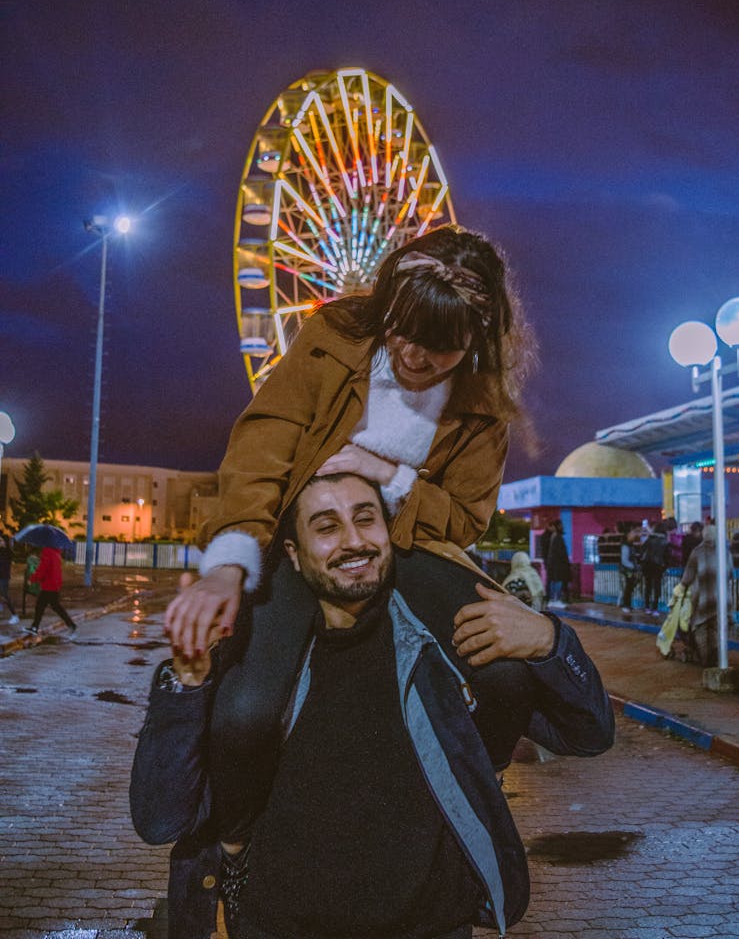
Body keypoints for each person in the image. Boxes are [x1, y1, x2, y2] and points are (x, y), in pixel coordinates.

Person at [164, 226, 536, 850]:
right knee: (248, 712)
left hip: (408, 547)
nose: (415, 358)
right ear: (386, 306)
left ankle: (464, 823)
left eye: (440, 348)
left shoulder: (485, 402)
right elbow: (265, 442)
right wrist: (230, 560)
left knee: (508, 684)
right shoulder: (334, 336)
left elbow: (467, 518)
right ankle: (232, 849)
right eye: (403, 334)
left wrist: (388, 477)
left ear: (475, 338)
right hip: (308, 539)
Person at [131, 472, 614, 939]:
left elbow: (589, 733)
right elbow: (159, 819)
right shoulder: (256, 659)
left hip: (434, 929)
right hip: (276, 927)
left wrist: (549, 640)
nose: (353, 541)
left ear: (389, 532)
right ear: (293, 556)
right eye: (326, 526)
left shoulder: (443, 648)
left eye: (366, 519)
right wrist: (188, 682)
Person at [681, 523, 732, 667]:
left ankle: (705, 661)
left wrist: (681, 588)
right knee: (717, 630)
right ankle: (716, 658)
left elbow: (687, 577)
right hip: (722, 599)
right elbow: (731, 573)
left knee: (701, 628)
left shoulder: (697, 552)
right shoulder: (725, 552)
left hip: (703, 599)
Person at [22, 546, 76, 637]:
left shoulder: (47, 553)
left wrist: (32, 579)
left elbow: (42, 570)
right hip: (54, 585)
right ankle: (70, 624)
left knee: (41, 607)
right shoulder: (56, 554)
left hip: (48, 586)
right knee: (53, 606)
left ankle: (35, 628)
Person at [640, 521, 670, 616]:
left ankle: (647, 607)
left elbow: (642, 550)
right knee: (657, 587)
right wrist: (665, 566)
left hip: (648, 564)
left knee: (648, 586)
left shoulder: (650, 539)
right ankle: (655, 608)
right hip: (658, 565)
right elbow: (667, 555)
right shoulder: (665, 541)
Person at [546, 519, 570, 608]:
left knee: (554, 582)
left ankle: (553, 599)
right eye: (560, 525)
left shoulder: (554, 536)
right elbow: (561, 553)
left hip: (554, 565)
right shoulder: (557, 537)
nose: (562, 527)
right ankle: (556, 599)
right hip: (558, 565)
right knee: (557, 582)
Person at [619, 528, 641, 615]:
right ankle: (625, 605)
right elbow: (624, 560)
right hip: (628, 570)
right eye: (632, 533)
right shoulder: (626, 546)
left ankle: (627, 604)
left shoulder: (630, 545)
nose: (634, 535)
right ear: (628, 535)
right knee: (628, 587)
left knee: (630, 587)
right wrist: (634, 567)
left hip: (629, 569)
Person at [0, 531, 20, 625]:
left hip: (3, 577)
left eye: (1, 541)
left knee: (5, 596)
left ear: (5, 542)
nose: (0, 542)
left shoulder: (7, 552)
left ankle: (14, 616)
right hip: (1, 576)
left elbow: (4, 566)